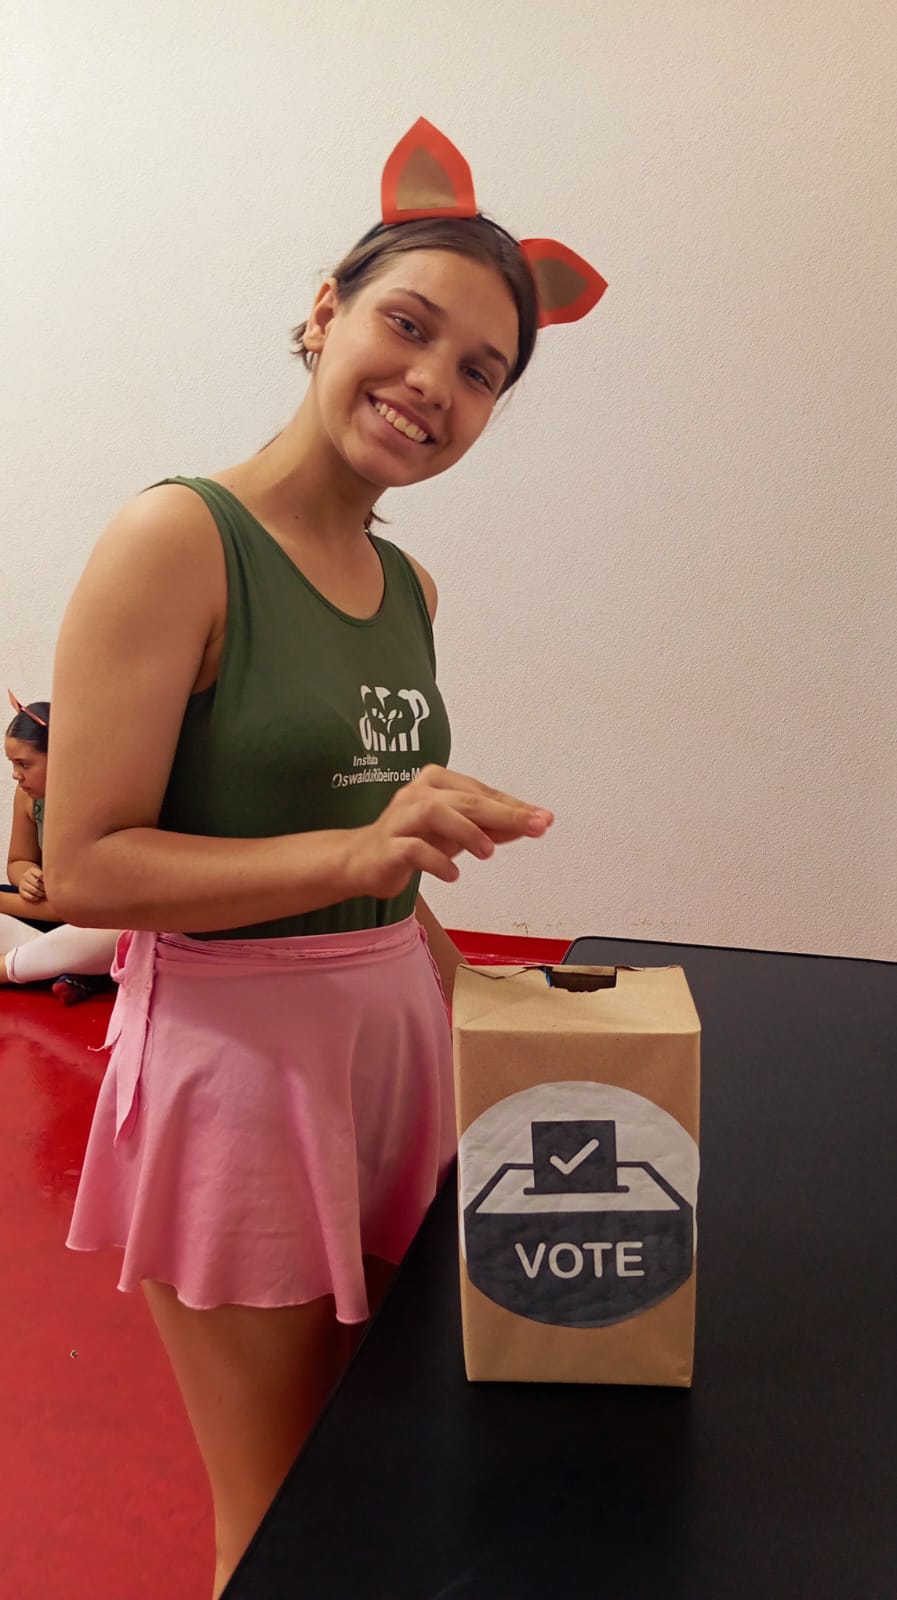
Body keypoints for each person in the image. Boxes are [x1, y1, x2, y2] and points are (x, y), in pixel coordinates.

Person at [45, 120, 605, 1596]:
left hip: (391, 1052)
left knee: (384, 1470)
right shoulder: (178, 538)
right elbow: (85, 867)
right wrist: (362, 841)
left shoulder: (409, 585)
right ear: (324, 312)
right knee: (290, 1509)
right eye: (407, 326)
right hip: (240, 1076)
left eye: (479, 371)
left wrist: (494, 1006)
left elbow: (380, 874)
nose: (432, 384)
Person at [1, 695, 119, 1000]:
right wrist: (27, 874)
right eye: (12, 763)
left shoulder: (92, 803)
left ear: (59, 757)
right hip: (50, 908)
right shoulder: (27, 797)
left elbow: (78, 906)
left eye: (24, 764)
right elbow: (17, 861)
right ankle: (69, 967)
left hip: (89, 917)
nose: (15, 774)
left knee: (104, 936)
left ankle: (56, 963)